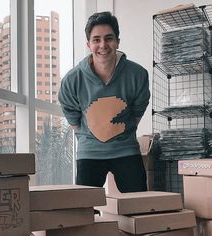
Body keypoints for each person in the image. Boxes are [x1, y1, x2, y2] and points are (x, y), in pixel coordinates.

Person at [58, 11, 150, 193]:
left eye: (109, 38)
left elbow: (138, 110)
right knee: (83, 210)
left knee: (139, 207)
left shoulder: (137, 75)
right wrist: (89, 134)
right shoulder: (72, 79)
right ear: (88, 44)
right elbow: (71, 114)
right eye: (96, 40)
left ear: (117, 42)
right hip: (89, 153)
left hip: (126, 150)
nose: (103, 45)